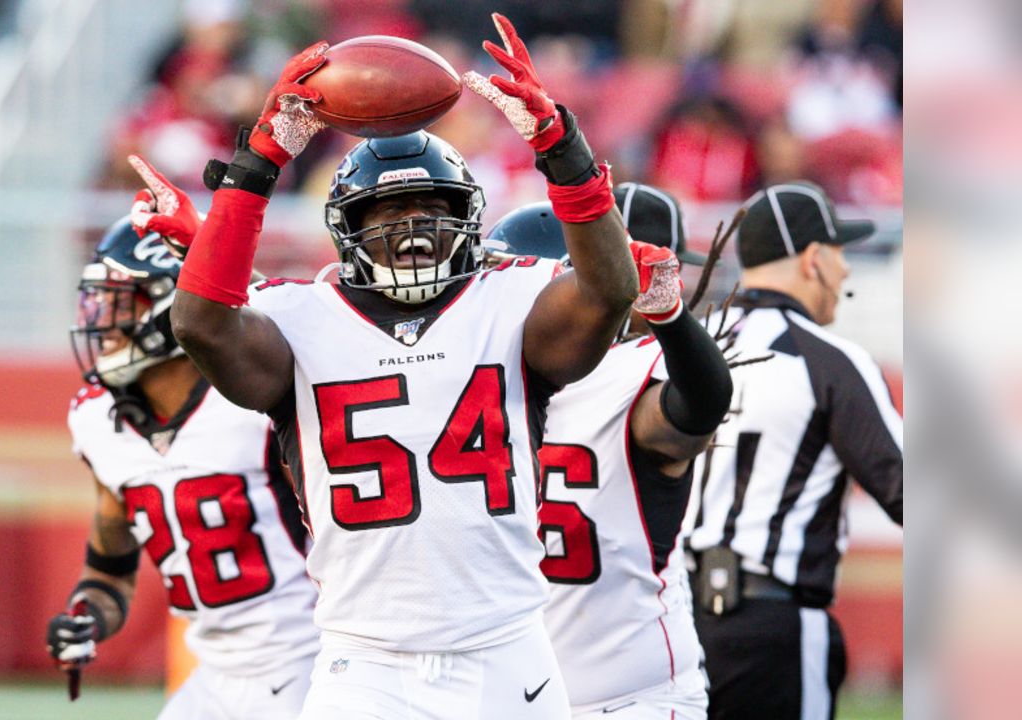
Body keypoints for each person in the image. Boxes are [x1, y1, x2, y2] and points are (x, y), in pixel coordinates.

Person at [132, 13, 639, 719]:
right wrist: (260, 161)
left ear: (466, 217)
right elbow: (200, 323)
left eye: (430, 210)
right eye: (387, 213)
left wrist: (562, 148)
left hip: (508, 651)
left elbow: (611, 292)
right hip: (364, 663)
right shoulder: (298, 317)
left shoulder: (510, 297)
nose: (410, 233)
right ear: (346, 230)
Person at [45, 217, 320, 719]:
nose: (99, 319)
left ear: (169, 306)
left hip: (310, 659)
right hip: (213, 674)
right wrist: (84, 617)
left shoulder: (256, 403)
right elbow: (109, 573)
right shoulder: (96, 420)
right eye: (97, 300)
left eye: (120, 301)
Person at [485, 186, 731, 719]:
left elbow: (695, 411)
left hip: (631, 700)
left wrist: (670, 319)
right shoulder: (476, 386)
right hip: (518, 698)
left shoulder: (626, 378)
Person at [682, 181, 903, 720]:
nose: (845, 271)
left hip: (672, 621)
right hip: (773, 623)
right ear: (812, 259)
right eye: (838, 253)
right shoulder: (830, 362)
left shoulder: (689, 344)